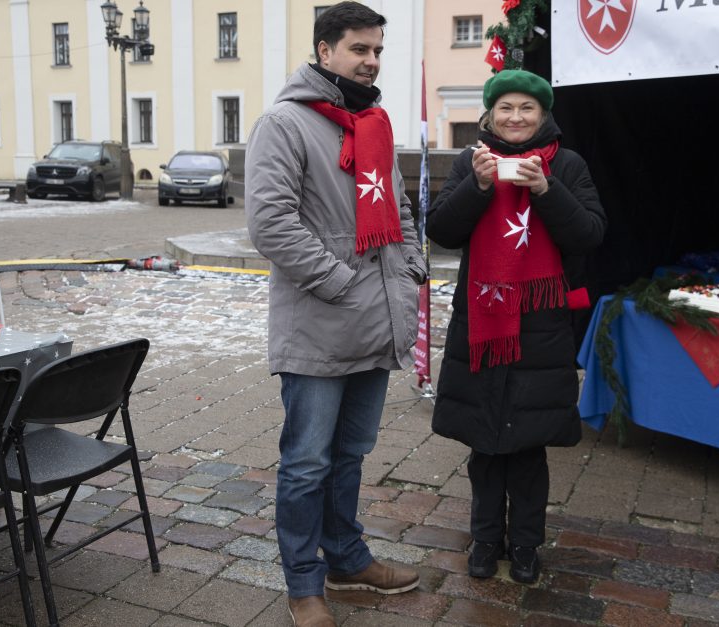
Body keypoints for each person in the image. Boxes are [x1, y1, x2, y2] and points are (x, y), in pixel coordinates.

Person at [245, 3, 426, 625]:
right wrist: (343, 283)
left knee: (350, 455)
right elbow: (271, 224)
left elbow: (398, 210)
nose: (371, 61)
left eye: (377, 50)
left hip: (375, 321)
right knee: (306, 463)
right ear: (325, 51)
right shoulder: (285, 123)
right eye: (358, 49)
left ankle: (347, 556)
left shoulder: (372, 121)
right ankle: (304, 582)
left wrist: (407, 271)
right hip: (320, 324)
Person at [425, 69, 606, 584]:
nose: (516, 117)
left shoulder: (567, 166)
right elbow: (440, 230)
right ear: (489, 115)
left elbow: (590, 234)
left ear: (543, 115)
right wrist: (479, 186)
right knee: (485, 445)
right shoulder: (470, 162)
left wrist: (547, 190)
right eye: (505, 107)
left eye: (527, 108)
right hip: (481, 324)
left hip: (541, 327)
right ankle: (485, 539)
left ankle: (526, 545)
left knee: (527, 448)